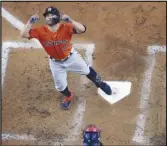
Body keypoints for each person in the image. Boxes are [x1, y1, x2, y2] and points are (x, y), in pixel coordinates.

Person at [20, 6, 114, 110]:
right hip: (55, 63)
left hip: (71, 57)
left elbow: (82, 29)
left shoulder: (66, 27)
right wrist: (30, 21)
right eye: (47, 16)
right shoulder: (40, 31)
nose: (49, 17)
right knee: (60, 86)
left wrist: (70, 20)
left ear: (58, 17)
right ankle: (69, 96)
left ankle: (100, 84)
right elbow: (23, 34)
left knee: (87, 70)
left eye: (52, 15)